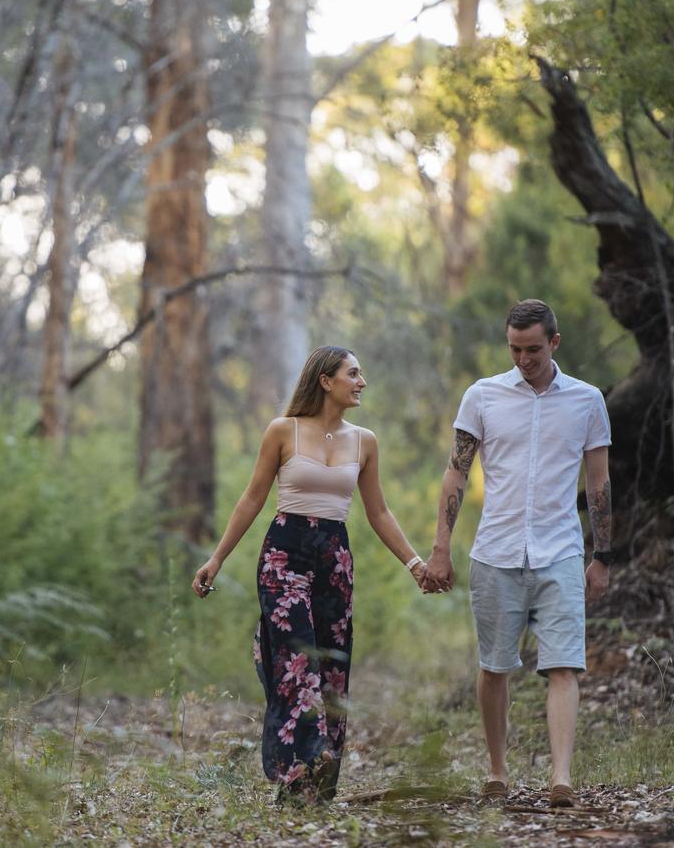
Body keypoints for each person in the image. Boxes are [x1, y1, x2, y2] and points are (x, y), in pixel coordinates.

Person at [191, 345, 439, 804]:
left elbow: (379, 512)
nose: (362, 382)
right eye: (353, 373)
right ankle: (295, 773)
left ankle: (319, 781)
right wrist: (217, 558)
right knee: (297, 662)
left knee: (331, 665)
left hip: (334, 559)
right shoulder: (283, 431)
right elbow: (251, 498)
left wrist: (415, 564)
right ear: (326, 380)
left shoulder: (365, 440)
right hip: (284, 555)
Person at [421, 299, 613, 809]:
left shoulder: (588, 400)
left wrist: (603, 557)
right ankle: (498, 770)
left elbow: (598, 483)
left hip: (562, 552)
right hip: (496, 552)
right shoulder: (482, 396)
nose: (523, 358)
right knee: (495, 666)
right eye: (514, 348)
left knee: (565, 665)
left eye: (532, 349)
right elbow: (456, 472)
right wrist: (441, 548)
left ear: (554, 342)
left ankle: (562, 777)